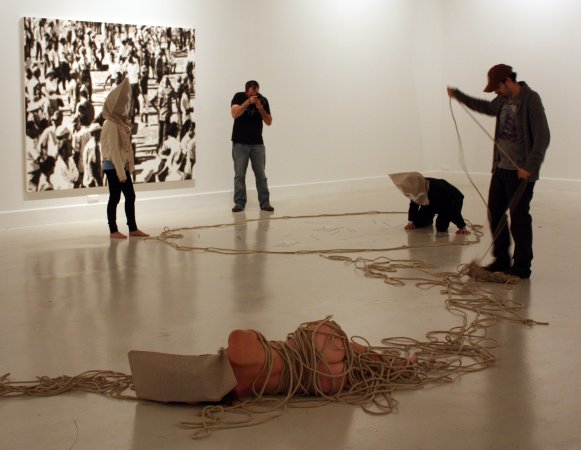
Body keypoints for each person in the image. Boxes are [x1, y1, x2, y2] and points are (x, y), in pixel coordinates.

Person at [128, 317, 418, 404]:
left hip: (322, 383)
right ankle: (394, 365)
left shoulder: (236, 392)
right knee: (325, 332)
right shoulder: (238, 351)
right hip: (317, 359)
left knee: (348, 367)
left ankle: (380, 370)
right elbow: (246, 334)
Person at [447, 64, 550, 278]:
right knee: (495, 213)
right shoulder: (502, 100)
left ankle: (522, 267)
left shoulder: (531, 100)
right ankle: (501, 260)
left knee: (519, 218)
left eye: (498, 87)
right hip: (501, 169)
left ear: (508, 81)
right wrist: (459, 96)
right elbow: (485, 107)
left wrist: (530, 167)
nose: (496, 91)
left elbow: (543, 137)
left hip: (521, 172)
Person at [100, 77, 149, 239]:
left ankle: (132, 228)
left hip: (119, 165)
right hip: (113, 166)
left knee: (129, 196)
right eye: (124, 104)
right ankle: (113, 229)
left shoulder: (118, 123)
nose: (126, 107)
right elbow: (114, 150)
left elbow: (122, 150)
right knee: (115, 197)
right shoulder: (111, 124)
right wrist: (121, 173)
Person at [230, 80, 274, 213]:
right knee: (239, 175)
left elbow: (269, 121)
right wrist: (248, 102)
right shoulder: (239, 96)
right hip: (240, 143)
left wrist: (260, 108)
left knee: (261, 175)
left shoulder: (263, 100)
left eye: (256, 92)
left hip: (257, 144)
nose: (254, 94)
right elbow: (234, 113)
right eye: (251, 92)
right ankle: (239, 203)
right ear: (246, 91)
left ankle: (265, 202)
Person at [390, 172, 471, 235]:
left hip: (451, 200)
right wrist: (410, 222)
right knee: (417, 223)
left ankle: (438, 217)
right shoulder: (416, 187)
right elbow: (414, 204)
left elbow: (452, 207)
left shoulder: (438, 189)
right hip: (431, 203)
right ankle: (428, 218)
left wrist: (462, 226)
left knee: (441, 227)